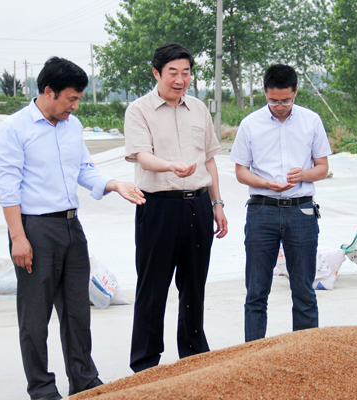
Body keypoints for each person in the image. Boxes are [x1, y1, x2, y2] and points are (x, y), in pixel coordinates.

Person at [0, 57, 145, 400]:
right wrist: (18, 238)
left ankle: (84, 381)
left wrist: (114, 184)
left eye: (78, 99)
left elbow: (84, 169)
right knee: (35, 315)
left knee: (77, 312)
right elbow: (8, 188)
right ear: (49, 92)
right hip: (35, 229)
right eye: (71, 99)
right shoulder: (14, 129)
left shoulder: (72, 126)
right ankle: (42, 388)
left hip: (72, 226)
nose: (75, 106)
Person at [124, 42, 228, 372]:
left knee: (194, 285)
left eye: (186, 72)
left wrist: (217, 203)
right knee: (152, 287)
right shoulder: (138, 110)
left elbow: (209, 159)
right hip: (158, 207)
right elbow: (142, 156)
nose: (180, 79)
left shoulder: (198, 109)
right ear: (157, 73)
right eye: (173, 73)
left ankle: (194, 357)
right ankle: (145, 363)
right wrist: (171, 166)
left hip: (198, 205)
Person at [230, 64, 332, 342]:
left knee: (304, 291)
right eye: (273, 100)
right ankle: (255, 354)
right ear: (264, 92)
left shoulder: (311, 121)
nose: (280, 107)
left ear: (296, 91)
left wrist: (304, 175)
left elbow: (322, 167)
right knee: (256, 292)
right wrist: (266, 183)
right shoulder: (250, 124)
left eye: (286, 100)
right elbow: (241, 172)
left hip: (301, 211)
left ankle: (303, 354)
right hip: (262, 210)